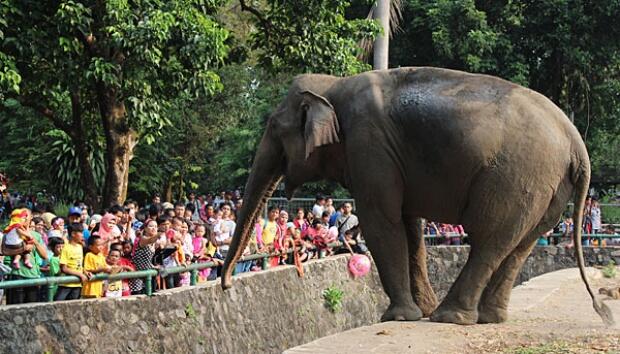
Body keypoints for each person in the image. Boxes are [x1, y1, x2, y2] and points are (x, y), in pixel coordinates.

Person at [4, 209, 49, 304]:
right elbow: (5, 252)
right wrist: (24, 248)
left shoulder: (36, 235)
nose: (23, 218)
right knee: (15, 309)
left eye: (25, 216)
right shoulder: (10, 233)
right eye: (20, 216)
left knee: (32, 308)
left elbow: (44, 255)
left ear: (30, 217)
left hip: (33, 276)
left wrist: (34, 242)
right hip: (17, 275)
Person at [56, 223, 90, 301]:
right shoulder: (66, 248)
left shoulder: (80, 247)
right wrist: (80, 275)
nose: (82, 235)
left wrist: (85, 272)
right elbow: (64, 268)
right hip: (66, 284)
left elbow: (79, 264)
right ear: (73, 234)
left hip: (77, 284)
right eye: (80, 233)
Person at [131, 219, 159, 295]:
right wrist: (159, 234)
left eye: (156, 226)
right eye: (151, 226)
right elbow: (150, 240)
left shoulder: (154, 242)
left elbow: (147, 259)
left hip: (147, 272)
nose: (154, 228)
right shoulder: (143, 238)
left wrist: (152, 266)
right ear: (145, 228)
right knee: (137, 295)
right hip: (137, 272)